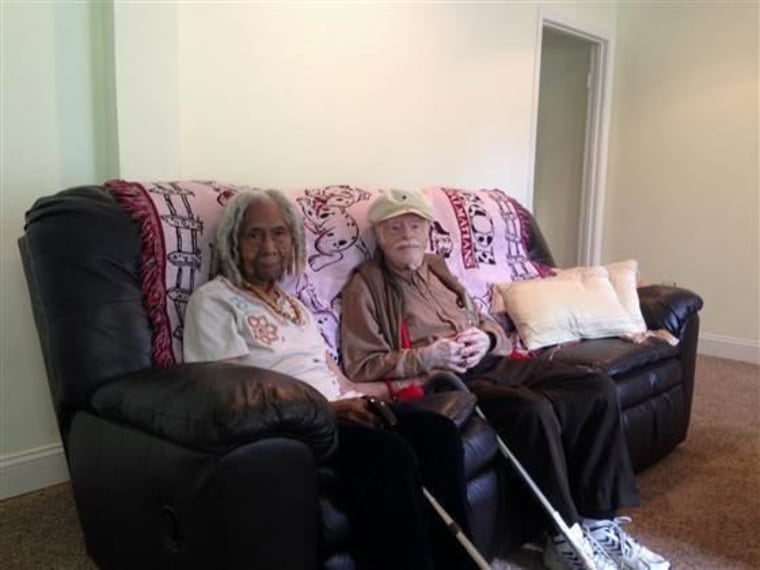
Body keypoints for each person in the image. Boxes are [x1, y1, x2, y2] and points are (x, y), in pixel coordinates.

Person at [339, 188, 671, 570]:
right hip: (447, 380)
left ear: (429, 230)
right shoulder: (365, 286)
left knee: (594, 387)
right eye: (395, 227)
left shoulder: (437, 268)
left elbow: (483, 319)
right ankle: (562, 535)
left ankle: (599, 521)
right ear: (379, 235)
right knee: (529, 411)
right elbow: (362, 364)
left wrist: (487, 338)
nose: (407, 235)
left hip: (491, 361)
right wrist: (426, 356)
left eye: (415, 225)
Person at [182, 188, 477, 570]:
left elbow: (337, 378)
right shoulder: (214, 301)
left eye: (279, 233)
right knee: (390, 454)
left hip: (342, 409)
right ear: (232, 242)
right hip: (290, 428)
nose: (268, 245)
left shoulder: (296, 308)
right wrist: (329, 410)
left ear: (294, 241)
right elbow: (232, 395)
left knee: (438, 433)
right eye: (253, 234)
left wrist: (402, 386)